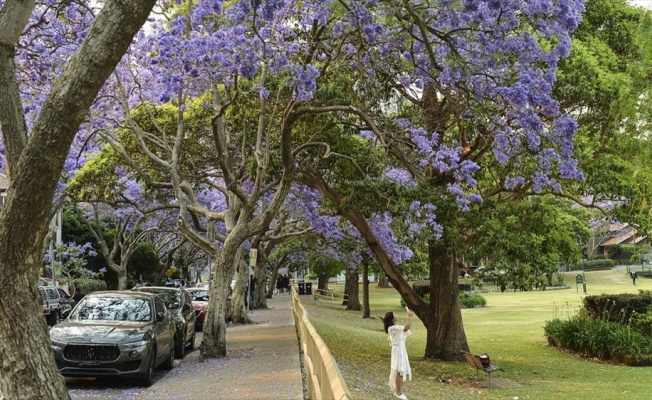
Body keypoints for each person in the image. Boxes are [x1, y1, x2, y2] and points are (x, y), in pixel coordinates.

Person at [383, 309, 413, 400]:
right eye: (394, 314)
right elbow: (406, 327)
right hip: (398, 350)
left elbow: (405, 329)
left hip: (400, 349)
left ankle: (399, 390)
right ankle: (398, 392)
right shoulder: (392, 328)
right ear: (392, 319)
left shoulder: (394, 327)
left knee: (400, 370)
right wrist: (409, 316)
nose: (396, 315)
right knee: (399, 371)